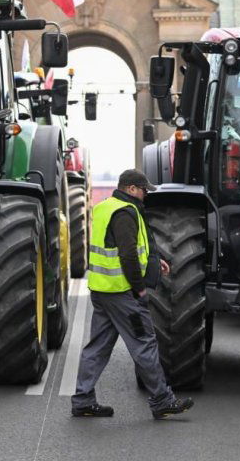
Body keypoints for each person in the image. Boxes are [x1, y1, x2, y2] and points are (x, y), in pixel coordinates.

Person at [71, 169, 195, 420]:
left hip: (103, 291)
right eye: (143, 190)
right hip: (123, 293)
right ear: (130, 188)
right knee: (144, 344)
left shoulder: (107, 206)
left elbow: (122, 245)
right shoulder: (125, 212)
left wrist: (152, 261)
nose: (146, 194)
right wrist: (138, 287)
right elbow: (127, 254)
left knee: (98, 346)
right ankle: (162, 400)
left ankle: (83, 400)